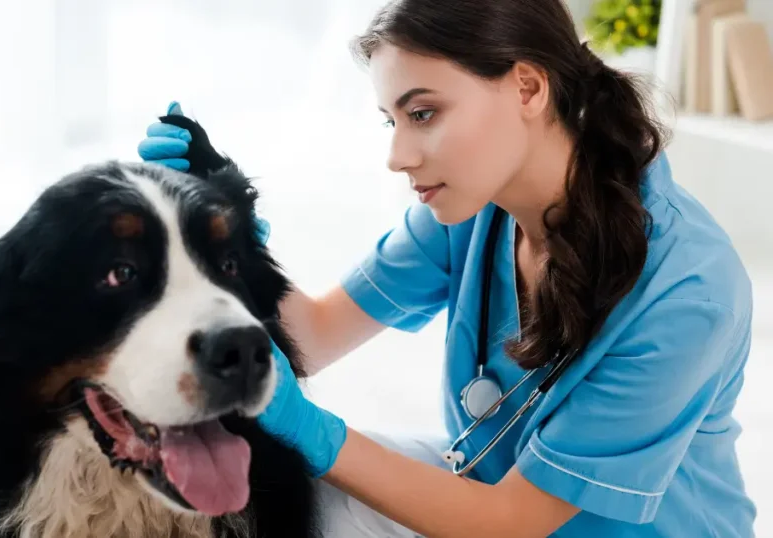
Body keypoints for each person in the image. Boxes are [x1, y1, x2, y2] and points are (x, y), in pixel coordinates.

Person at [137, 0, 757, 536]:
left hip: (552, 526)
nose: (397, 156)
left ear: (528, 88)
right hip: (486, 497)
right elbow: (314, 335)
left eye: (424, 113)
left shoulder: (688, 291)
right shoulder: (470, 209)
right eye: (393, 121)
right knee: (289, 500)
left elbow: (510, 524)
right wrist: (229, 232)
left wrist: (315, 432)